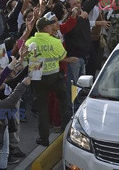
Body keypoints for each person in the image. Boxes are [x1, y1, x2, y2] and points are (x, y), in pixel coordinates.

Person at [25, 12, 78, 146]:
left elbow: (25, 57)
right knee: (64, 101)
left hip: (38, 80)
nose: (51, 27)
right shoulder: (55, 41)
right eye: (49, 26)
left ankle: (43, 139)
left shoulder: (30, 42)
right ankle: (66, 130)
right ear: (44, 28)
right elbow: (61, 56)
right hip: (54, 77)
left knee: (42, 108)